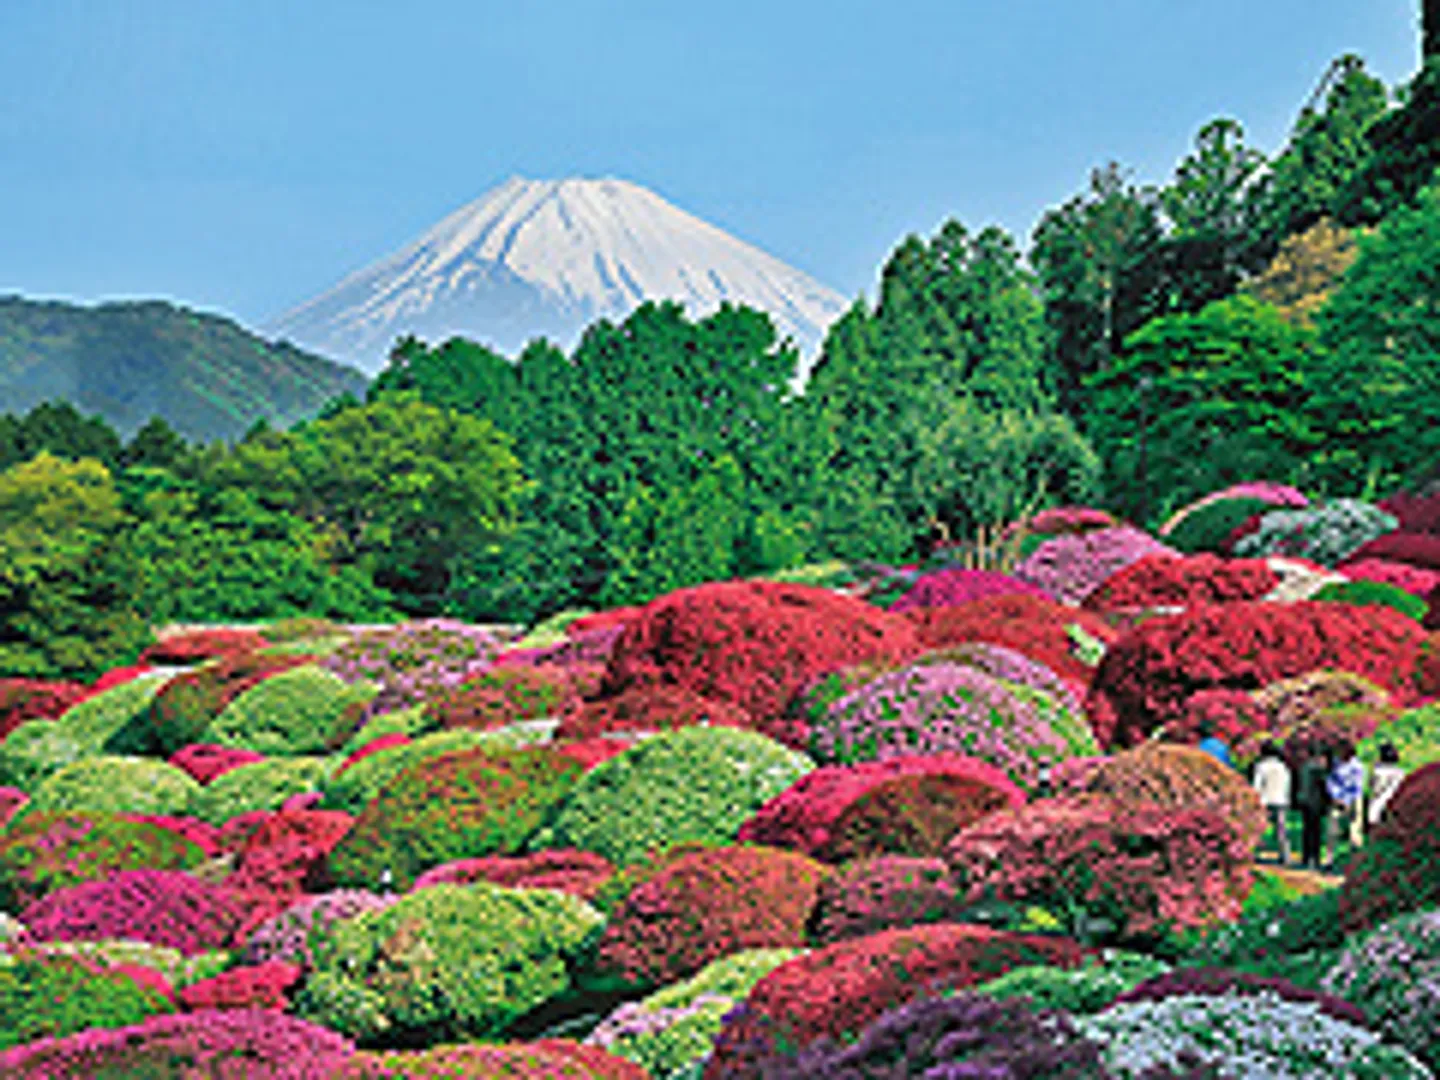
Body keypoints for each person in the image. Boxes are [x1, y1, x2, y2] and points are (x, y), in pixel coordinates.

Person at [1251, 741, 1291, 866]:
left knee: (1257, 828)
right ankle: (1285, 855)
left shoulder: (1261, 766)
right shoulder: (1283, 767)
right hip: (1281, 800)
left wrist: (1255, 799)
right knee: (1281, 829)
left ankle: (1253, 854)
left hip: (1265, 800)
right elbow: (1287, 784)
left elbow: (1257, 785)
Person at [1326, 743, 1365, 869]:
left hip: (1353, 800)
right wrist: (1336, 797)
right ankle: (1329, 860)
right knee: (1332, 830)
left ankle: (1355, 862)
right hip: (1337, 799)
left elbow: (1357, 786)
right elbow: (1331, 780)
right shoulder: (1336, 763)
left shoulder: (1357, 766)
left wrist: (1348, 802)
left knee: (1354, 831)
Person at [1293, 747, 1332, 870]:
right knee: (1315, 832)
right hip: (1315, 803)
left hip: (1305, 802)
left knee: (1306, 830)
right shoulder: (1318, 770)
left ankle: (1306, 856)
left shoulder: (1304, 767)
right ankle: (1314, 858)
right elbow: (1325, 787)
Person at [1369, 742, 1406, 829]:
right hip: (1392, 798)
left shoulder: (1377, 770)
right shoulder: (1399, 772)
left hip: (1382, 799)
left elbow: (1372, 785)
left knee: (1375, 809)